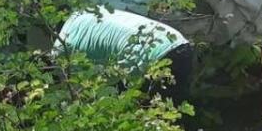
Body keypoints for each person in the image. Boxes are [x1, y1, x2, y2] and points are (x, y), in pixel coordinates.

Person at [54, 8, 194, 102]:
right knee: (173, 110)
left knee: (145, 116)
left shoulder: (61, 48)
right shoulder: (85, 11)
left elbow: (79, 90)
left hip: (152, 57)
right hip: (178, 43)